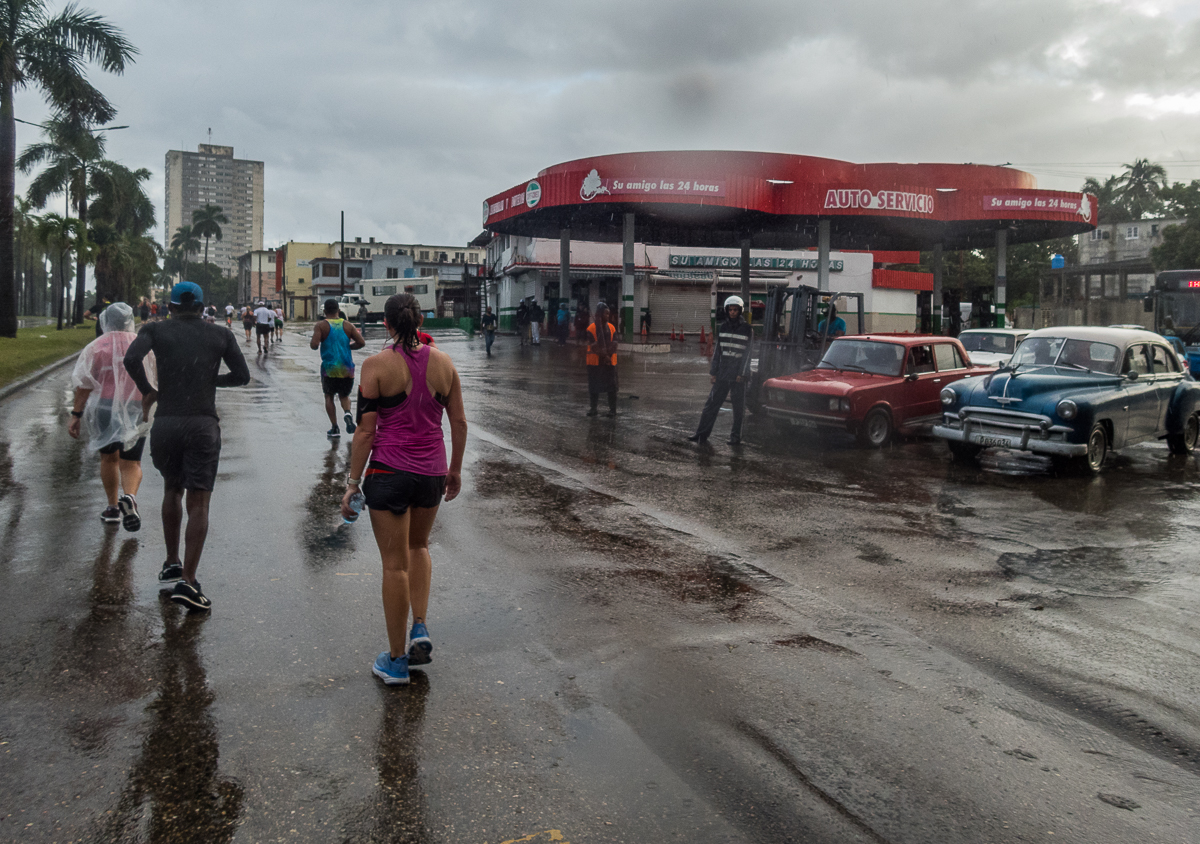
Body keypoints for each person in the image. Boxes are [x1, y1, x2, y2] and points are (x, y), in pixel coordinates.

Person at [342, 293, 467, 686]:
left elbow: (365, 431)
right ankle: (420, 626)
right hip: (432, 473)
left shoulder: (376, 366)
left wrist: (351, 483)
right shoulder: (444, 364)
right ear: (421, 318)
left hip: (389, 472)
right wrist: (455, 471)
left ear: (387, 324)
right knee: (420, 547)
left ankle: (396, 661)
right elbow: (459, 423)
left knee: (394, 565)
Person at [124, 281, 250, 612]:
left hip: (166, 423)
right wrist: (210, 380)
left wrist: (149, 387)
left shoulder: (155, 330)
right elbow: (242, 375)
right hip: (201, 423)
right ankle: (189, 582)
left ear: (172, 305)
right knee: (199, 502)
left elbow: (131, 358)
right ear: (201, 305)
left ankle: (171, 562)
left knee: (171, 489)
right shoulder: (220, 334)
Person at [68, 302, 154, 530]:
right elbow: (155, 379)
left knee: (109, 458)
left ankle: (113, 507)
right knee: (132, 461)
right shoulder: (142, 346)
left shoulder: (96, 347)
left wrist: (76, 414)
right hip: (137, 406)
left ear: (105, 321)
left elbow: (84, 384)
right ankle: (131, 498)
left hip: (104, 408)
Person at [688, 295, 753, 445]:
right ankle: (701, 434)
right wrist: (713, 373)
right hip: (723, 372)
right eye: (730, 310)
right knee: (711, 405)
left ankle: (735, 438)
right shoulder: (722, 327)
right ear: (726, 310)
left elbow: (748, 354)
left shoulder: (747, 329)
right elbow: (717, 352)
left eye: (735, 310)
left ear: (740, 311)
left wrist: (742, 374)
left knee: (738, 409)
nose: (732, 312)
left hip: (738, 375)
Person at [311, 297, 366, 438]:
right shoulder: (348, 325)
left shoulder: (321, 325)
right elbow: (361, 342)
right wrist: (349, 347)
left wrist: (319, 340)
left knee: (329, 396)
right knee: (344, 395)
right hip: (347, 368)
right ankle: (347, 413)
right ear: (338, 311)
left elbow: (314, 345)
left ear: (324, 311)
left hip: (329, 369)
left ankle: (335, 427)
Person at [586, 302, 619, 417]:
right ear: (599, 314)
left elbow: (614, 343)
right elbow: (594, 345)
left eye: (608, 314)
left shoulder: (612, 327)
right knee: (594, 387)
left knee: (612, 387)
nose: (608, 316)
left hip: (609, 363)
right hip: (595, 363)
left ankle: (612, 410)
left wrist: (608, 355)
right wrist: (604, 355)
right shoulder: (591, 329)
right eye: (605, 314)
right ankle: (593, 409)